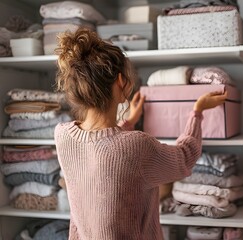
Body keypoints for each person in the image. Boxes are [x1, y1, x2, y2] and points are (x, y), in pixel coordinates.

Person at [54, 28, 228, 239]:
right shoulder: (137, 145)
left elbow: (103, 150)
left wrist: (129, 122)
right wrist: (198, 111)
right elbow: (185, 157)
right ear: (120, 82)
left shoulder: (62, 135)